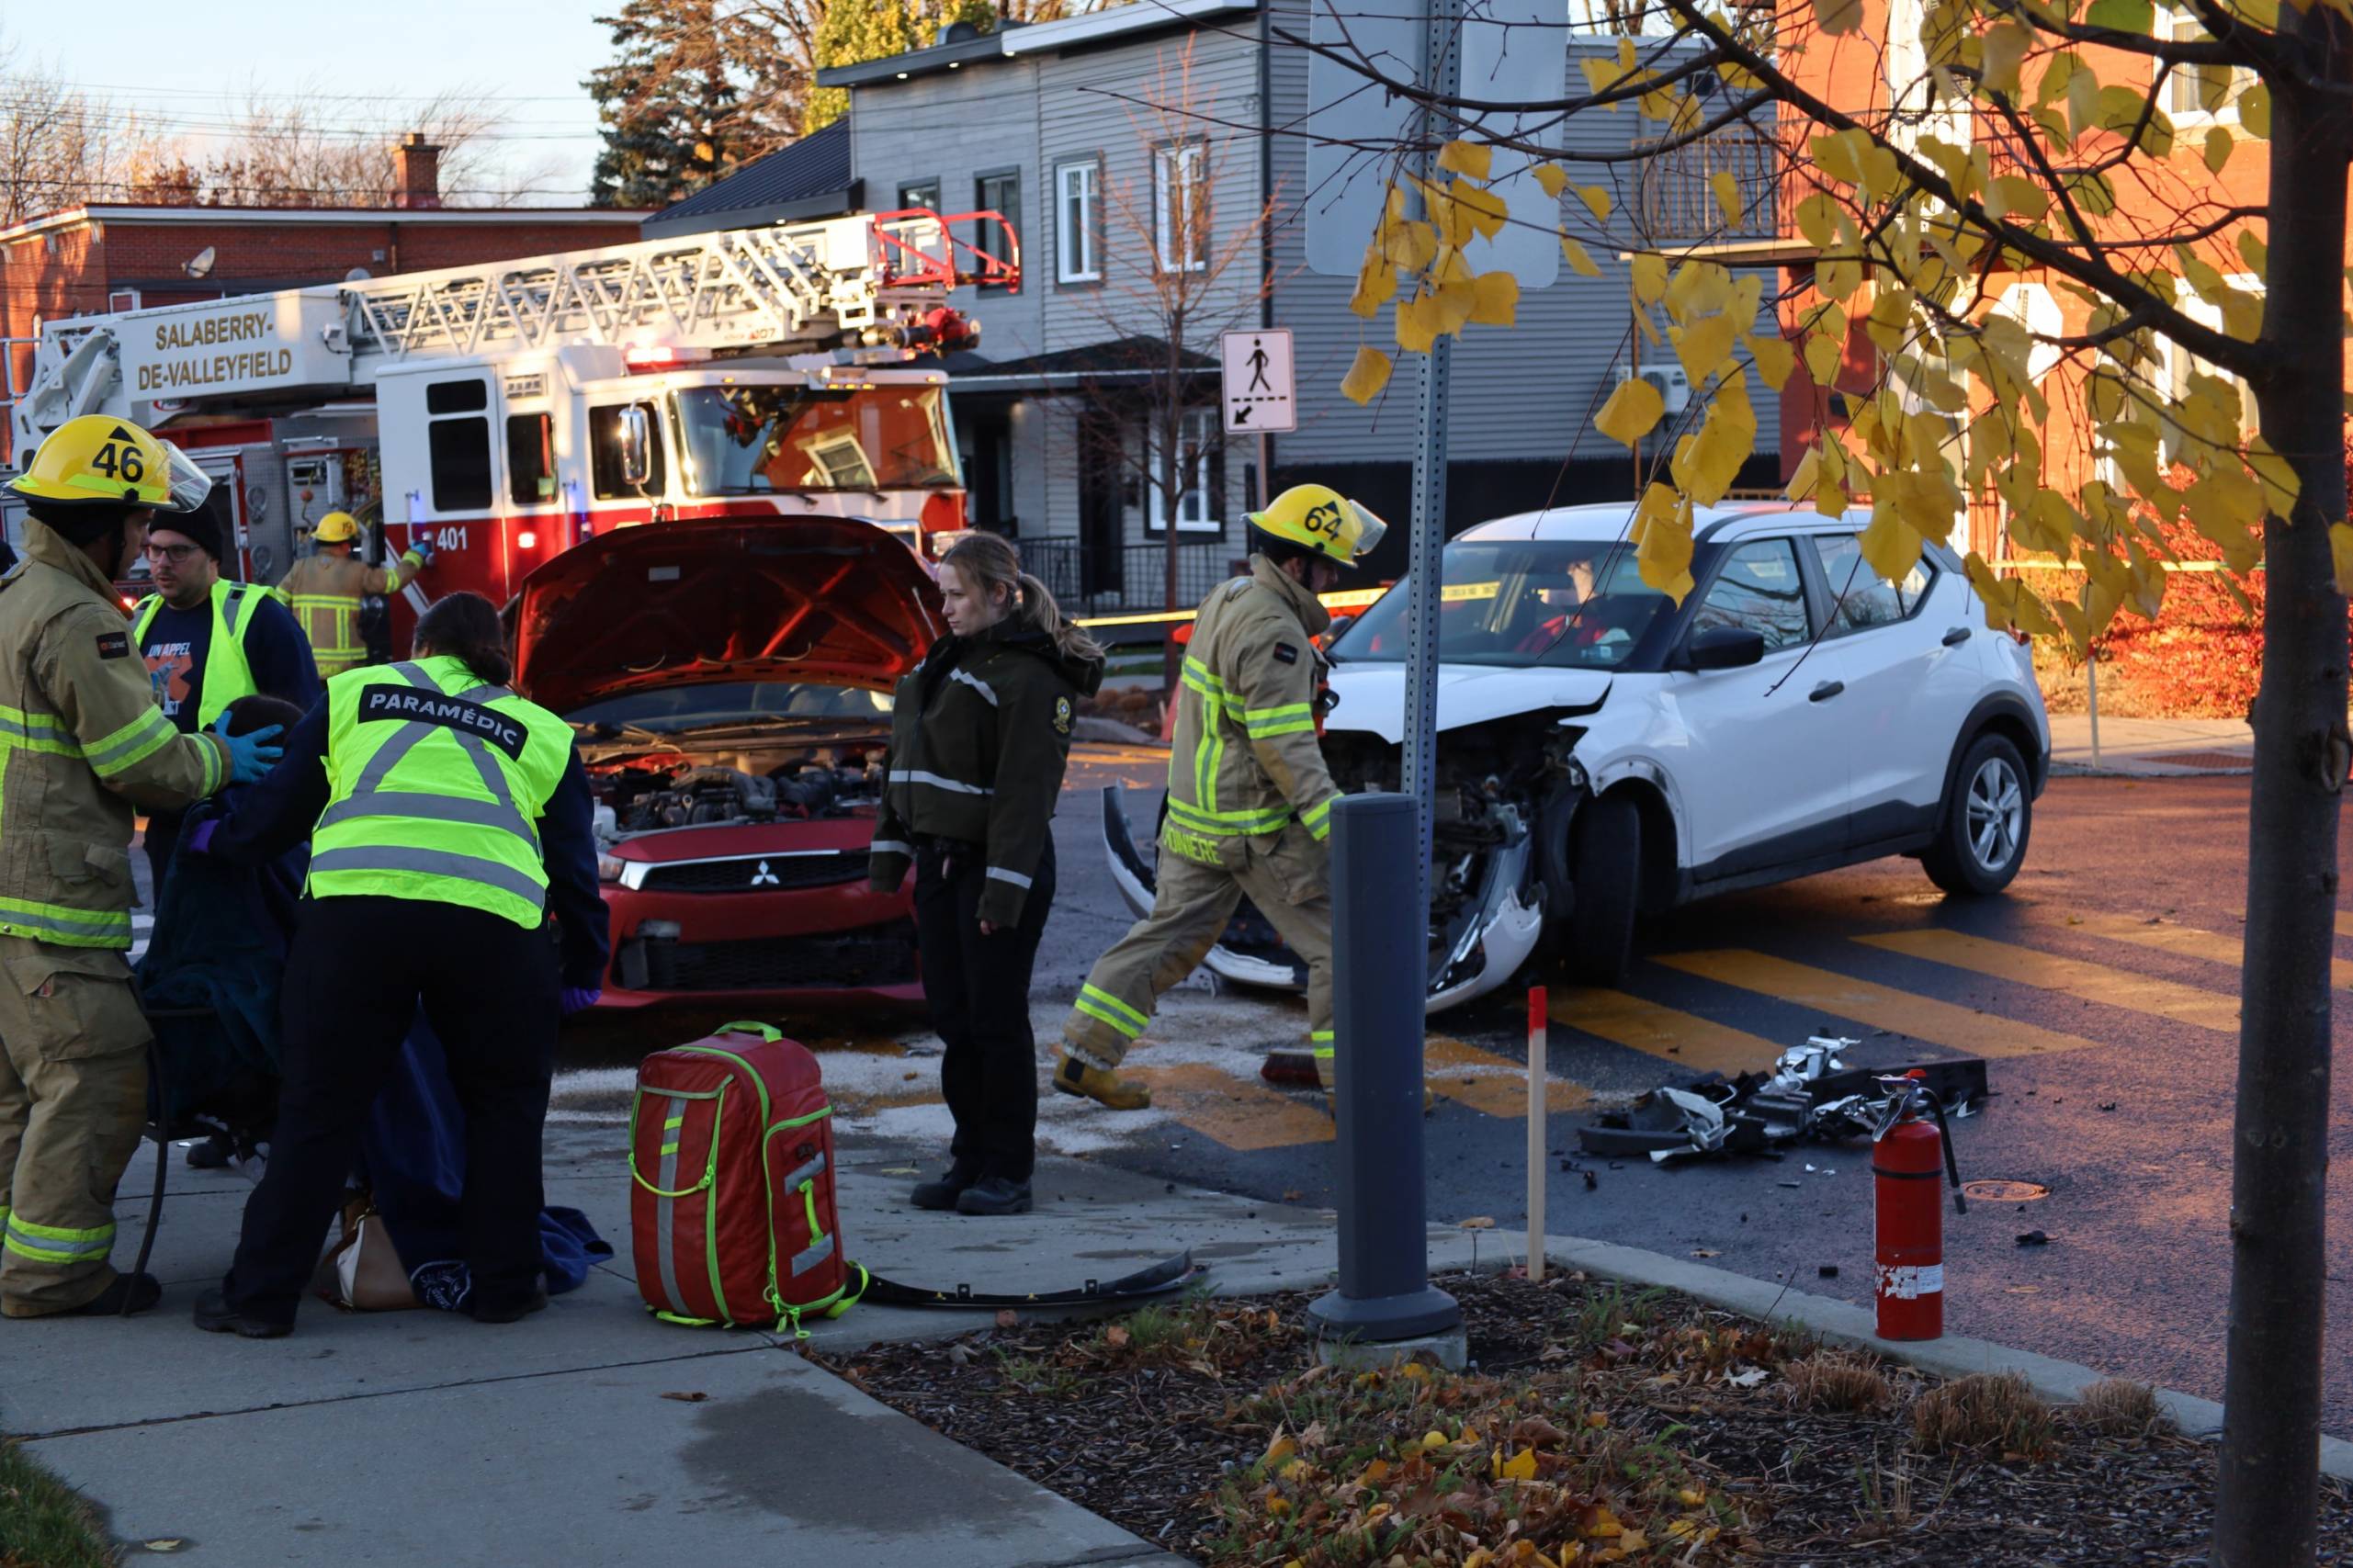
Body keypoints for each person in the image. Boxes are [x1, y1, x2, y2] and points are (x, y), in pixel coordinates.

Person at [187, 591, 609, 1337]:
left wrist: (218, 842)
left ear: (420, 646)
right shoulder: (541, 729)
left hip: (357, 923)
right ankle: (507, 1286)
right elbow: (574, 867)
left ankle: (257, 1299)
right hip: (492, 929)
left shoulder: (352, 692)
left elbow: (283, 806)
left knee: (319, 1110)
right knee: (503, 1108)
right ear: (498, 659)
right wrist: (582, 965)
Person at [0, 414, 284, 1318]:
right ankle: (55, 1276)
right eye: (135, 526)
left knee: (21, 1096)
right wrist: (224, 759)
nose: (141, 549)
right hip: (55, 908)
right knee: (99, 1075)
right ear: (100, 521)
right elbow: (142, 764)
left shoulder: (14, 596)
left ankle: (15, 1253)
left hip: (11, 911)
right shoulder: (81, 619)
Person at [1055, 484, 1383, 1109]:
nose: (1333, 577)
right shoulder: (1275, 629)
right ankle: (1362, 1092)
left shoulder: (1229, 595)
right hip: (1257, 827)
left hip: (1194, 819)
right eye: (1327, 565)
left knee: (1167, 937)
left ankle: (1082, 1057)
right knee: (1343, 946)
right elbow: (1282, 744)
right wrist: (1335, 825)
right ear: (1295, 564)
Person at [866, 532, 1103, 1217]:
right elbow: (902, 767)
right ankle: (969, 1157)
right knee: (955, 1021)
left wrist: (1002, 892)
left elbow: (1024, 798)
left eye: (957, 594)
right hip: (942, 867)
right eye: (941, 593)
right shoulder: (944, 664)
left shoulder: (1028, 679)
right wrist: (892, 855)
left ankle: (1008, 1169)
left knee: (995, 1024)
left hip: (998, 871)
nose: (944, 607)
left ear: (1000, 595)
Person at [132, 503, 321, 892]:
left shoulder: (258, 615)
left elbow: (306, 725)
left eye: (179, 551)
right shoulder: (139, 619)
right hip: (168, 821)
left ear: (212, 557)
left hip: (241, 825)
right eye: (154, 549)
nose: (162, 563)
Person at [277, 513, 432, 678]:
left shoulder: (299, 569)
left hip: (308, 663)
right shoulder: (357, 571)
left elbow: (278, 602)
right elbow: (393, 581)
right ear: (344, 545)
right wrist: (414, 555)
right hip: (345, 668)